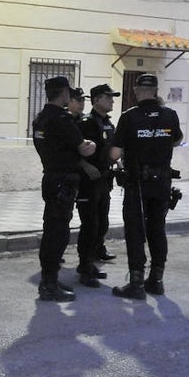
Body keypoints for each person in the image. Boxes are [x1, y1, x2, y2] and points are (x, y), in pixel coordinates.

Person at [108, 73, 183, 299]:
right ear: (156, 91)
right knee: (157, 229)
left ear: (138, 91)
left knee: (135, 231)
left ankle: (136, 283)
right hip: (162, 182)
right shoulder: (170, 115)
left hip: (137, 184)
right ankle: (156, 280)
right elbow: (177, 140)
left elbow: (115, 153)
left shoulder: (129, 117)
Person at [33, 75, 97, 301]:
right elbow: (83, 149)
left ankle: (48, 280)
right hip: (63, 181)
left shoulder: (41, 119)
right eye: (68, 92)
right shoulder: (62, 119)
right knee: (58, 233)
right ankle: (50, 284)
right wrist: (92, 144)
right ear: (63, 94)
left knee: (50, 230)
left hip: (50, 177)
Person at [74, 83, 120, 287]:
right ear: (96, 100)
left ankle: (91, 262)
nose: (112, 100)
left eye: (112, 97)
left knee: (101, 223)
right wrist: (84, 165)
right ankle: (84, 268)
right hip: (88, 182)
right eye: (108, 97)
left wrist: (117, 163)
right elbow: (72, 151)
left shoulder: (108, 123)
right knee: (90, 225)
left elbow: (110, 148)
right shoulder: (86, 123)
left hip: (104, 179)